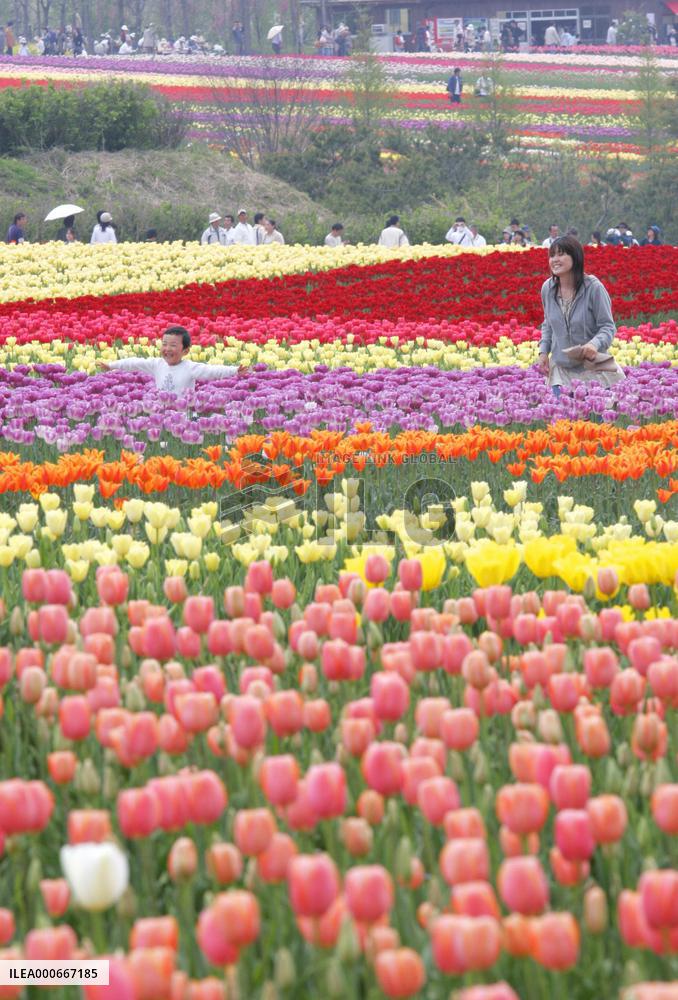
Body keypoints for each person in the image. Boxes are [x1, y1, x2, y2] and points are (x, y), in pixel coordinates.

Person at [538, 235, 624, 397]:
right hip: (561, 369)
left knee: (596, 421)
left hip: (594, 368)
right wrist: (543, 352)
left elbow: (607, 326)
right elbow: (548, 323)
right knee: (565, 421)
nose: (555, 259)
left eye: (561, 254)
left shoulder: (593, 288)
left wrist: (594, 344)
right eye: (552, 255)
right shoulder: (548, 288)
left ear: (575, 257)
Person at [99, 326, 246, 397]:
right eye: (164, 344)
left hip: (184, 412)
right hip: (162, 411)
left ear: (185, 351)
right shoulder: (157, 364)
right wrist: (112, 365)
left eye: (173, 345)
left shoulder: (190, 367)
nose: (167, 349)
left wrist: (234, 371)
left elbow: (212, 371)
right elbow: (134, 362)